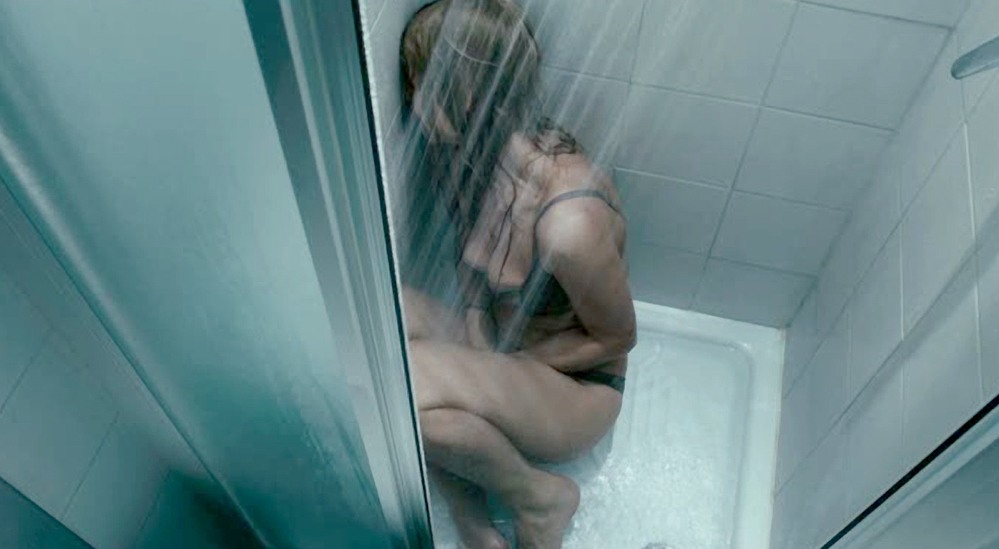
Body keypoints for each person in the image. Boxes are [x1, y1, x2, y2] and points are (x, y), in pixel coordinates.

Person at [399, 1, 636, 547]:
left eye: (419, 80)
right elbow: (468, 259)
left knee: (406, 384)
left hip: (575, 387)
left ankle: (541, 499)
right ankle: (474, 520)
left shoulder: (568, 223)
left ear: (466, 94)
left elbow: (617, 338)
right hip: (507, 346)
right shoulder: (470, 154)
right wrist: (477, 335)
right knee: (382, 326)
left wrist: (501, 365)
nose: (409, 96)